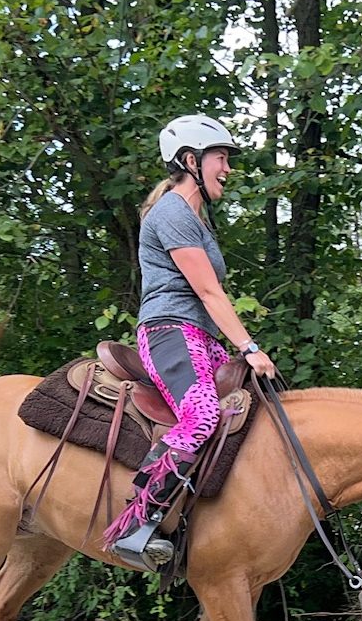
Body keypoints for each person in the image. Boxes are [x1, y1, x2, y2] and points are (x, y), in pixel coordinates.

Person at [103, 114, 277, 572]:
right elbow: (207, 292)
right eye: (221, 158)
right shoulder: (173, 213)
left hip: (198, 335)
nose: (228, 168)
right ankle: (135, 525)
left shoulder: (196, 219)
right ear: (190, 160)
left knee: (255, 404)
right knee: (201, 415)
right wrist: (250, 347)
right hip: (168, 332)